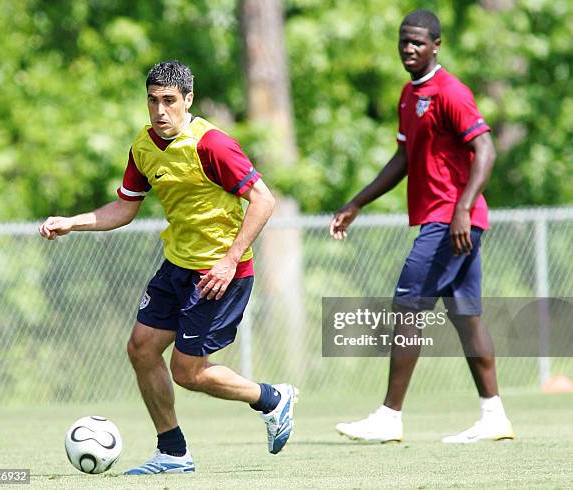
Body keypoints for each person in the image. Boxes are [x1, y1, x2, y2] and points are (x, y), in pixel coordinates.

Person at [39, 60, 298, 474]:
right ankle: (173, 452)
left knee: (187, 372)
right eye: (153, 101)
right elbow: (124, 208)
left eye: (169, 101)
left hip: (218, 275)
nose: (160, 111)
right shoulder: (142, 146)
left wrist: (230, 261)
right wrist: (73, 222)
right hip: (176, 266)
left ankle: (271, 399)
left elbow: (264, 201)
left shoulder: (211, 144)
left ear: (188, 100)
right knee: (140, 349)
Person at [329, 10, 514, 444]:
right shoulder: (409, 96)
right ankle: (494, 416)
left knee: (407, 305)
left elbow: (485, 150)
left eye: (418, 42)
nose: (409, 49)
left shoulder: (450, 91)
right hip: (450, 220)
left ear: (436, 45)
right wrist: (357, 202)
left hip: (451, 220)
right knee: (466, 317)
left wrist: (463, 209)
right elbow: (403, 159)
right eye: (403, 41)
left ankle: (389, 416)